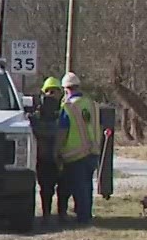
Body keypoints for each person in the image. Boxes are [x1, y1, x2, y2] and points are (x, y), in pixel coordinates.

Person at [57, 74, 103, 225]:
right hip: (93, 151)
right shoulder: (92, 104)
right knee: (86, 185)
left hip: (75, 154)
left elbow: (63, 131)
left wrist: (57, 150)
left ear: (66, 90)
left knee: (78, 186)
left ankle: (82, 218)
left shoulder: (68, 107)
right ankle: (86, 214)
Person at [31, 76, 66, 218]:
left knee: (64, 188)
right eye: (49, 92)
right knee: (46, 189)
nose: (52, 95)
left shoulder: (66, 111)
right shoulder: (36, 116)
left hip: (62, 156)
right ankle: (46, 214)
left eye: (55, 91)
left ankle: (62, 214)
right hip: (44, 158)